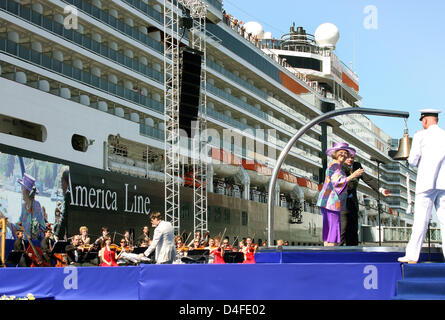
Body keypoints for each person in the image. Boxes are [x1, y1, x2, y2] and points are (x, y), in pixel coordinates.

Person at [398, 109, 445, 263]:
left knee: (420, 221)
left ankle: (412, 256)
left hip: (426, 183)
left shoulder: (420, 135)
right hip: (443, 183)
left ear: (425, 121)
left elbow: (412, 160)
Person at [317, 142, 364, 246]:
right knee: (333, 232)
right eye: (341, 152)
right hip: (332, 203)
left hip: (327, 201)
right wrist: (354, 175)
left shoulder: (334, 165)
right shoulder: (336, 166)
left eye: (345, 153)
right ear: (335, 153)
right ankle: (331, 257)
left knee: (328, 233)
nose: (343, 155)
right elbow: (337, 182)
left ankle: (327, 256)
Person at [341, 154, 392, 246]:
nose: (350, 159)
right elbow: (339, 182)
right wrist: (353, 175)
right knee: (343, 228)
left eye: (352, 157)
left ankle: (353, 253)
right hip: (342, 202)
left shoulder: (357, 166)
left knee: (353, 229)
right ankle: (338, 254)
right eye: (348, 157)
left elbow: (368, 179)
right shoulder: (340, 166)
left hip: (353, 201)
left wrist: (381, 190)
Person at [16, 173, 46, 240]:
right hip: (24, 241)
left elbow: (41, 226)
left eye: (22, 189)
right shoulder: (23, 206)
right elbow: (19, 223)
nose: (21, 191)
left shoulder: (36, 205)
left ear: (27, 192)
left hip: (34, 243)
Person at [54, 167, 70, 241]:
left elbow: (63, 217)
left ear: (64, 181)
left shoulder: (68, 195)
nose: (61, 184)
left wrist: (58, 234)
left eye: (61, 180)